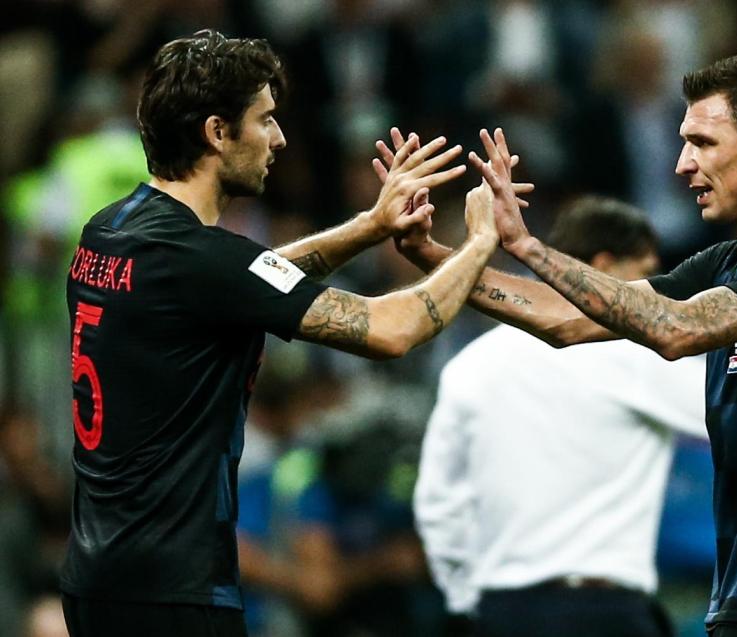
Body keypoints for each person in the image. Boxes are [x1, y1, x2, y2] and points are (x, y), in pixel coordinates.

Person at [394, 52, 737, 637]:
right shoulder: (726, 262)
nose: (682, 164)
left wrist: (527, 247)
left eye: (702, 142)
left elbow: (678, 328)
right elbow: (569, 321)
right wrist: (437, 257)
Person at [61, 29, 502, 637]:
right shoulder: (205, 260)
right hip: (175, 593)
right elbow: (391, 330)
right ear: (217, 133)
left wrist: (370, 226)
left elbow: (244, 279)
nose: (280, 139)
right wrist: (481, 242)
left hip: (96, 577)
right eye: (265, 120)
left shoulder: (111, 229)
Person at [414, 196, 707, 637]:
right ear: (606, 265)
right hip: (603, 613)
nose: (653, 297)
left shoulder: (469, 367)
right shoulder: (632, 353)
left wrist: (466, 599)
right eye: (646, 276)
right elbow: (732, 408)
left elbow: (439, 505)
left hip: (502, 613)